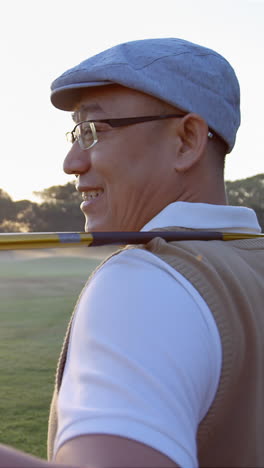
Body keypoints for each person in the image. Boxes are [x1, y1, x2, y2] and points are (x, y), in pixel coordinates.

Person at [1, 38, 264, 468]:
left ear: (186, 141)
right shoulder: (247, 259)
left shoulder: (144, 281)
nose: (71, 162)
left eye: (93, 131)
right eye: (74, 133)